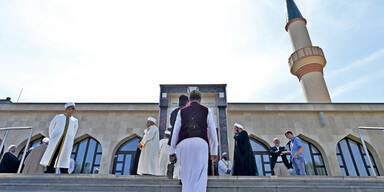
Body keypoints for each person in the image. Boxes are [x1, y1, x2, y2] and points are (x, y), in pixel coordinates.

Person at [169, 90, 218, 192]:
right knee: (200, 178)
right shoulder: (206, 110)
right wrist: (214, 151)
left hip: (183, 144)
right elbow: (212, 132)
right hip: (201, 143)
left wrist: (171, 151)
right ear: (200, 99)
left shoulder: (181, 111)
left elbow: (175, 132)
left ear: (189, 99)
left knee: (186, 178)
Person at [40, 102, 79, 174]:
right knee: (53, 154)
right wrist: (53, 138)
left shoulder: (75, 121)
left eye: (73, 109)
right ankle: (50, 169)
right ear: (66, 109)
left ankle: (64, 170)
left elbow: (74, 131)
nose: (72, 110)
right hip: (56, 140)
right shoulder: (58, 117)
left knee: (65, 155)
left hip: (67, 141)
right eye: (70, 109)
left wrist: (70, 139)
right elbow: (51, 127)